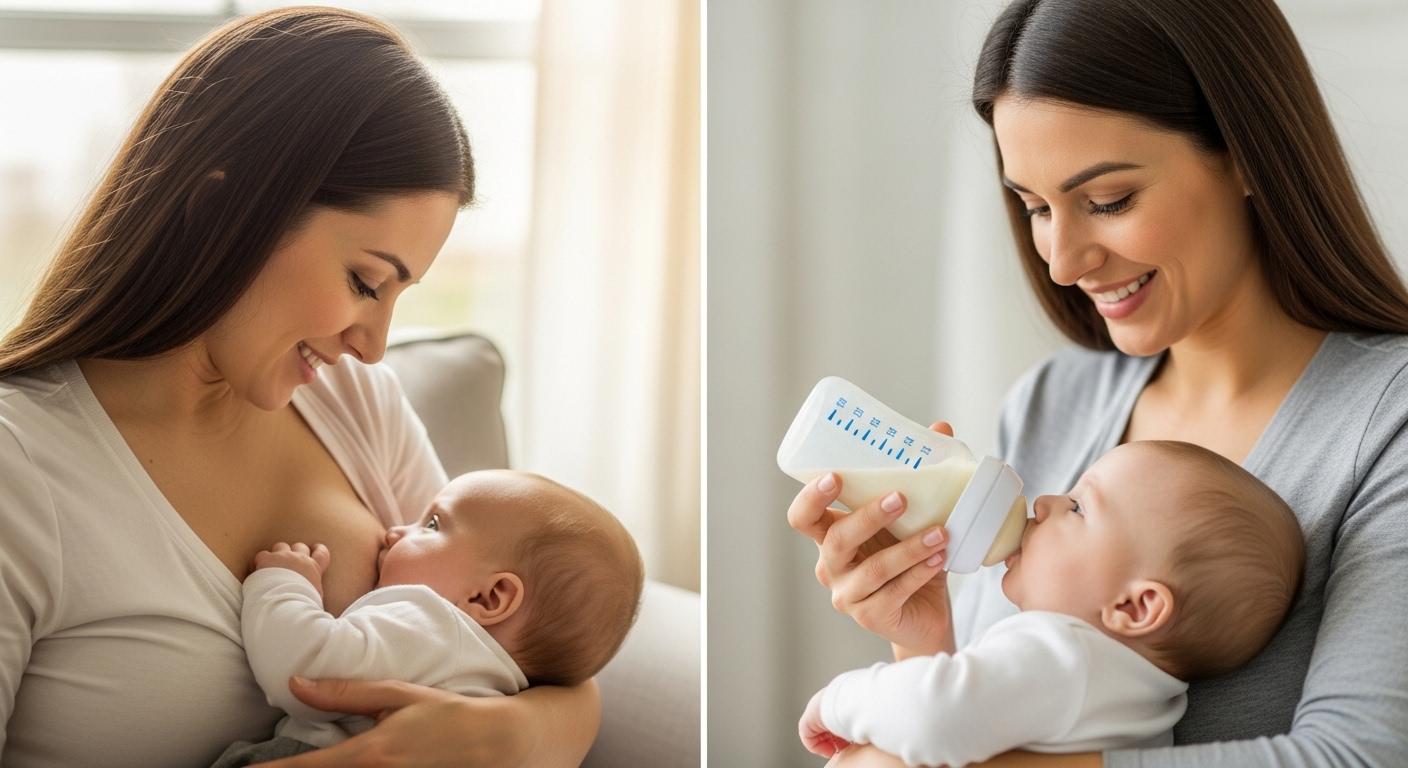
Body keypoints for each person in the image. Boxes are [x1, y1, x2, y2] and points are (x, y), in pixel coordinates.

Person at [789, 0, 1408, 765]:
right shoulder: (1056, 403)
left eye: (1107, 201)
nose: (1061, 260)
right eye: (1035, 207)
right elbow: (971, 717)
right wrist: (922, 639)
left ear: (1248, 153)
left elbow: (1362, 757)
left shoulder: (1388, 425)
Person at [0, 8, 599, 767]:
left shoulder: (348, 402)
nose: (374, 346)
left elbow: (544, 658)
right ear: (221, 208)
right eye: (365, 281)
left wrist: (511, 735)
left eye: (396, 295)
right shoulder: (19, 469)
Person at [797, 441, 1304, 766]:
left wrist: (837, 701)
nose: (1044, 502)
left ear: (1134, 608)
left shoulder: (1066, 653)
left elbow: (934, 715)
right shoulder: (1142, 698)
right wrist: (922, 638)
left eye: (1079, 507)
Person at [210, 470, 645, 767]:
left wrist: (283, 582)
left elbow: (305, 673)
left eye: (432, 524)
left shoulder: (433, 625)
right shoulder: (497, 682)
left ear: (489, 597)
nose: (396, 530)